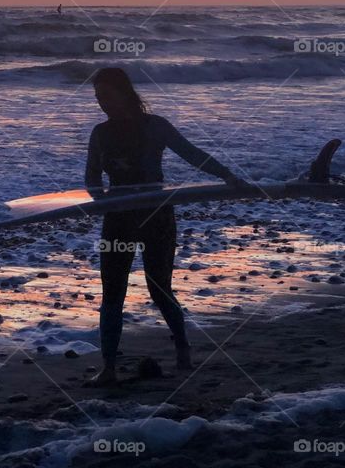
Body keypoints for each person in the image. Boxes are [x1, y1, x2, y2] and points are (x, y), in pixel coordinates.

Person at [84, 67, 246, 387]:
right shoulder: (99, 134)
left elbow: (192, 154)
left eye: (107, 95)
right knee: (112, 293)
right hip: (117, 219)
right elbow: (91, 178)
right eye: (98, 97)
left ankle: (183, 351)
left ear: (125, 93)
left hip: (156, 216)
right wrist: (98, 199)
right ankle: (109, 367)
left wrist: (227, 176)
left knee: (159, 289)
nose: (103, 103)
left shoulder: (155, 126)